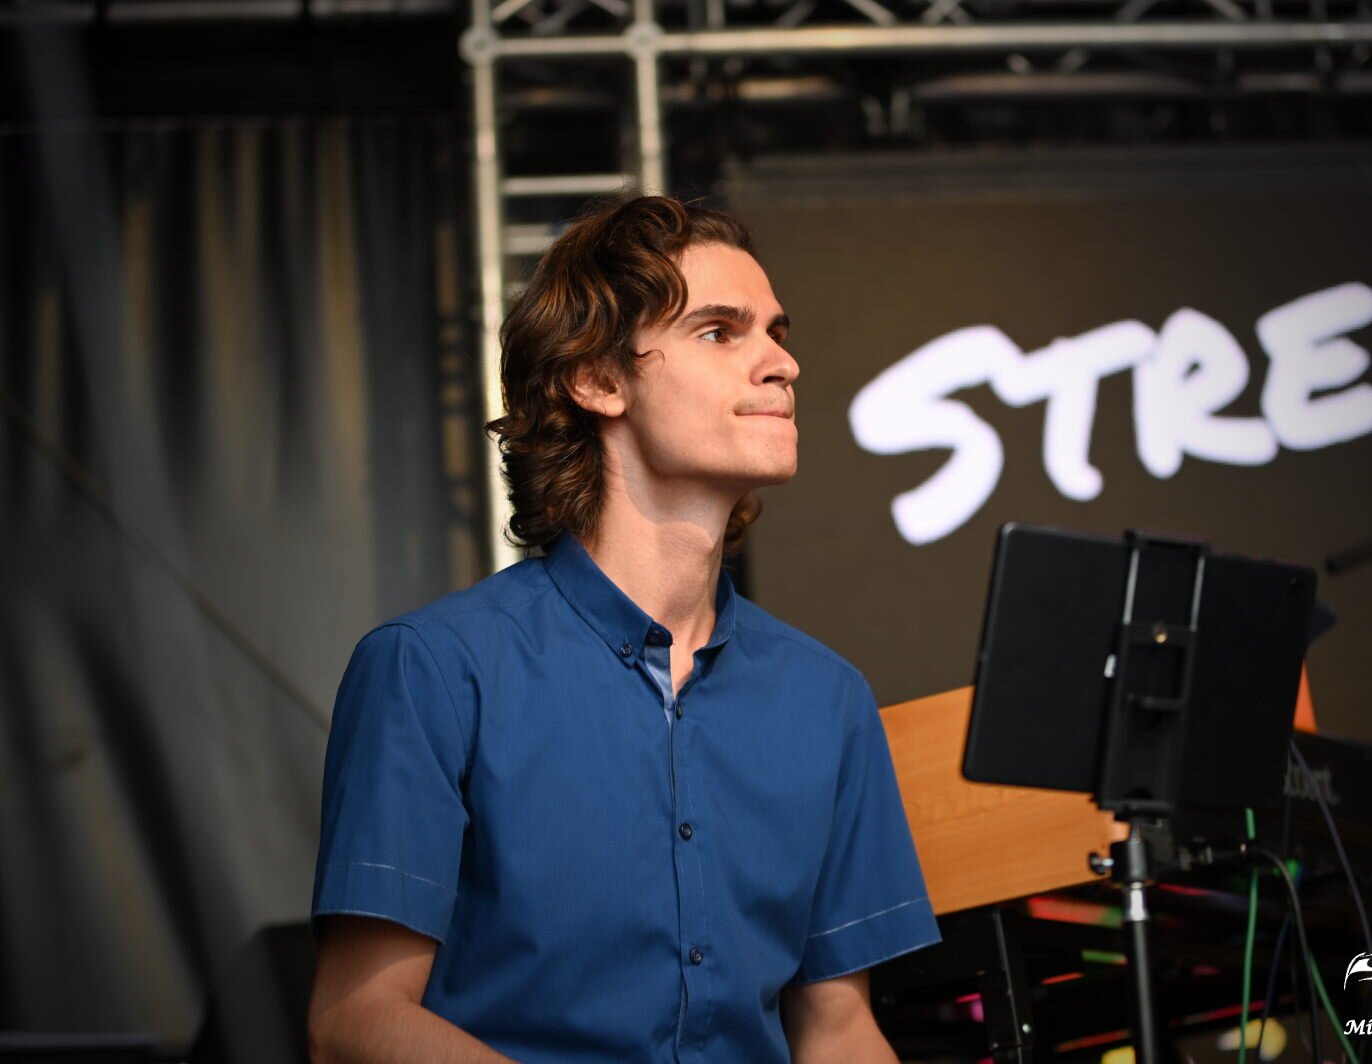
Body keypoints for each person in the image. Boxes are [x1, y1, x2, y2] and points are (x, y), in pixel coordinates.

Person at [305, 195, 940, 1062]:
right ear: (599, 380)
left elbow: (839, 1028)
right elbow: (353, 1019)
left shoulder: (828, 697)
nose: (782, 363)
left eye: (776, 333)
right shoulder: (434, 668)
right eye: (720, 331)